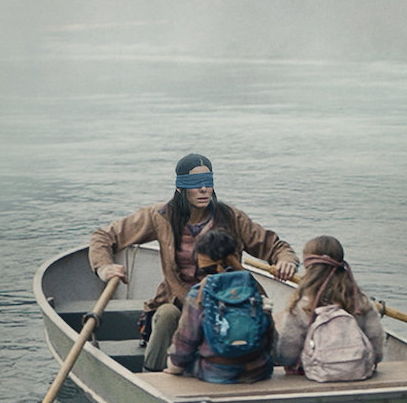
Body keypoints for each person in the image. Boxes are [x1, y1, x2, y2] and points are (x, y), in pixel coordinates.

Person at [88, 154, 299, 372]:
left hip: (229, 302)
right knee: (166, 315)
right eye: (195, 184)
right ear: (180, 188)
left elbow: (275, 246)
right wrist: (104, 267)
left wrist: (286, 261)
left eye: (208, 183)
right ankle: (151, 375)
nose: (203, 189)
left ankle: (272, 366)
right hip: (182, 303)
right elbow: (103, 237)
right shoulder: (160, 216)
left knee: (259, 314)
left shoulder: (230, 217)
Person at [165, 229, 275, 384]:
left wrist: (174, 366)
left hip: (216, 373)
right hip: (258, 370)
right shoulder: (252, 287)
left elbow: (186, 341)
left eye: (205, 270)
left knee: (187, 363)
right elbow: (269, 332)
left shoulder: (199, 293)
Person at [274, 235, 385, 379]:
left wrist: (288, 363)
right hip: (358, 370)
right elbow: (376, 343)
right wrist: (373, 360)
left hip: (317, 372)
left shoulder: (303, 304)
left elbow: (288, 352)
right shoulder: (360, 301)